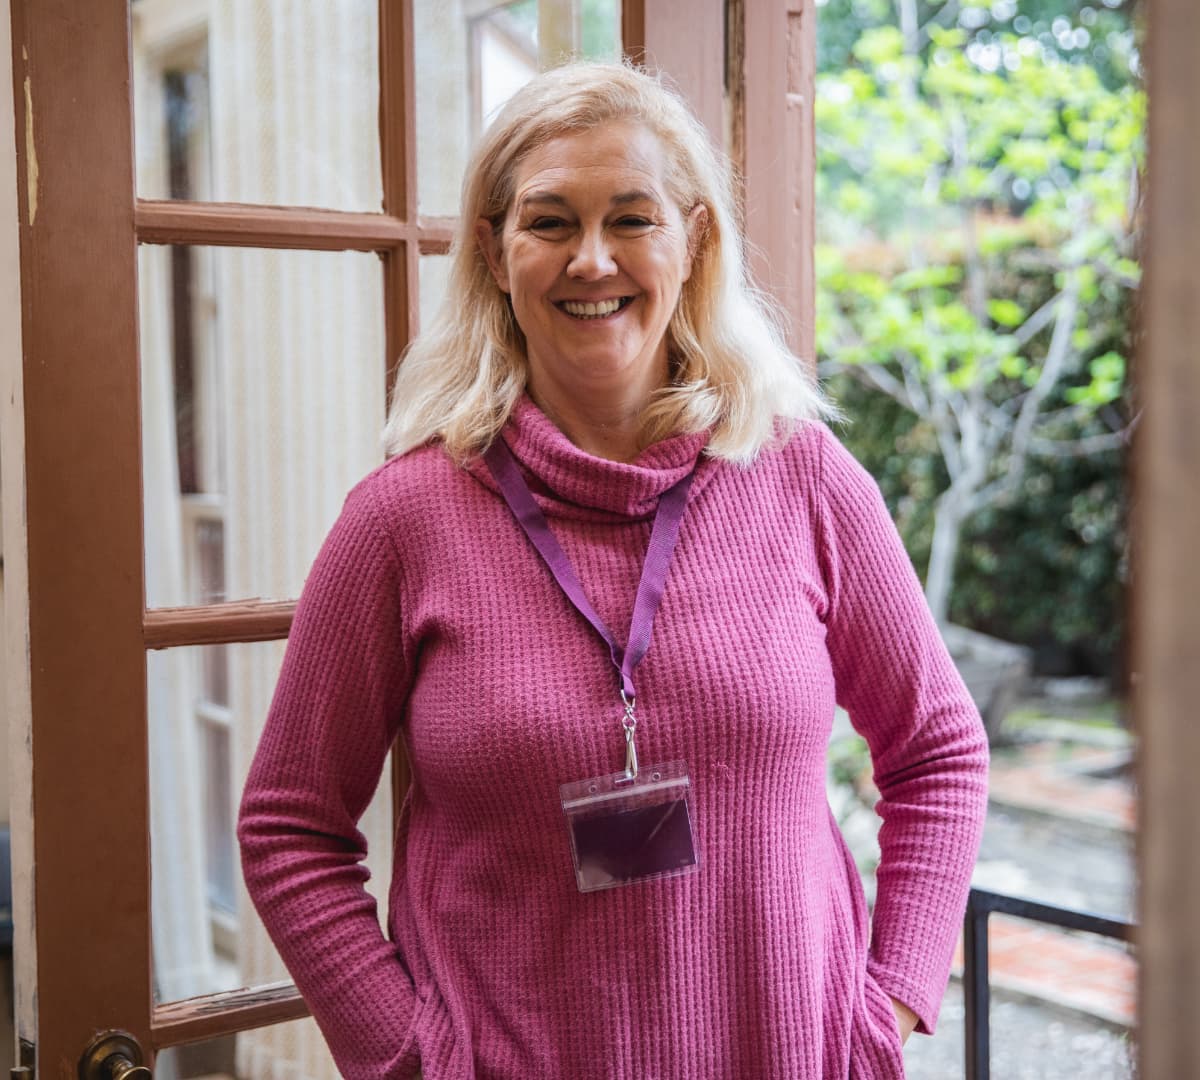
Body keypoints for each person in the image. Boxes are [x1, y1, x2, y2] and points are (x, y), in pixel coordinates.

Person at [238, 61, 989, 1080]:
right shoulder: (402, 520)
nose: (592, 260)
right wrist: (412, 1057)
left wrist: (882, 1008)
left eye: (632, 219)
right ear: (498, 257)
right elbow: (290, 827)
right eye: (550, 222)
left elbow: (938, 750)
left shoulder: (802, 478)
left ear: (695, 243)